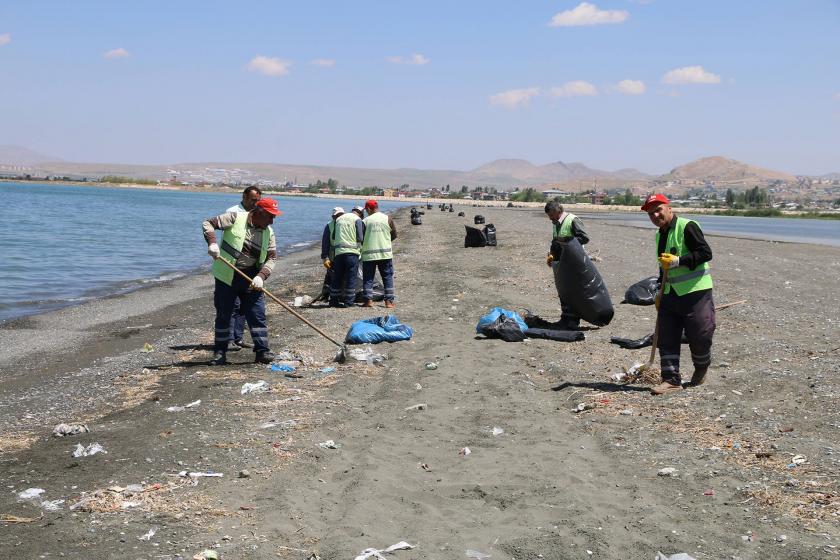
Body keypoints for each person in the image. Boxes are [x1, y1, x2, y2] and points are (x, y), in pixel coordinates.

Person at [641, 193, 715, 395]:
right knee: (667, 336)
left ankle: (701, 367)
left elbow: (705, 253)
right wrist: (659, 291)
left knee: (699, 334)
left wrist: (678, 261)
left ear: (669, 208)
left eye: (658, 209)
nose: (655, 215)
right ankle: (671, 379)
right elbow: (662, 268)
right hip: (670, 293)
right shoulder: (659, 235)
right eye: (650, 213)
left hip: (696, 291)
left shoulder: (687, 226)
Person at [202, 197, 281, 365]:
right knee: (224, 314)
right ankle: (220, 353)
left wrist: (262, 276)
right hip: (227, 276)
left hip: (252, 277)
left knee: (257, 315)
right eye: (270, 216)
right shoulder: (235, 217)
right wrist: (212, 243)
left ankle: (262, 352)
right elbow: (208, 224)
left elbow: (272, 258)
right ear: (259, 212)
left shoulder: (269, 232)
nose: (272, 221)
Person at [226, 186, 262, 349]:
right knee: (231, 305)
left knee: (243, 306)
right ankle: (228, 339)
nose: (255, 203)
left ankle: (238, 337)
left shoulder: (257, 213)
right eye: (253, 200)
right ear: (244, 197)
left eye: (257, 200)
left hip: (250, 267)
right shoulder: (233, 211)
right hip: (232, 266)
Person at [544, 200, 589, 329]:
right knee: (563, 291)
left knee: (573, 291)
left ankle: (574, 321)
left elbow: (584, 238)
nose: (550, 219)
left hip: (572, 262)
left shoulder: (572, 220)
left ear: (558, 211)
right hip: (560, 263)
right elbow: (555, 240)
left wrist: (566, 243)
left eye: (551, 215)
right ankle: (565, 318)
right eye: (549, 216)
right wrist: (551, 254)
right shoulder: (556, 223)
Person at [361, 199, 397, 308]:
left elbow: (360, 237)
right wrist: (384, 241)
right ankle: (389, 302)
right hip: (385, 254)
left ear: (368, 209)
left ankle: (368, 301)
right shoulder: (387, 218)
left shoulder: (365, 221)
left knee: (368, 278)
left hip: (369, 255)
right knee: (387, 277)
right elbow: (394, 235)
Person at [329, 203, 364, 307]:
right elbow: (360, 238)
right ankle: (348, 302)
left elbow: (334, 236)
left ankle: (333, 301)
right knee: (351, 277)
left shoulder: (339, 219)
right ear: (360, 214)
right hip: (352, 253)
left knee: (337, 277)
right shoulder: (357, 220)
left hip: (339, 253)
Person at [318, 207, 344, 302]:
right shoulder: (329, 226)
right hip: (333, 255)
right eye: (337, 216)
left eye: (340, 215)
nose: (339, 217)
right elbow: (325, 242)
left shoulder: (347, 223)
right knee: (330, 275)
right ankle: (325, 294)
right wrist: (325, 257)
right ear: (333, 216)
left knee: (343, 275)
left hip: (344, 254)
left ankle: (341, 295)